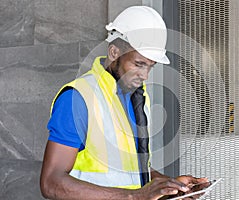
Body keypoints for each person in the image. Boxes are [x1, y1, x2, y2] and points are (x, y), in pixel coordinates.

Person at [40, 6, 208, 200]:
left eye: (150, 67)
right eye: (138, 64)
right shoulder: (78, 98)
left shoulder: (137, 98)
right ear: (114, 52)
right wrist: (134, 197)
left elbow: (128, 170)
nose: (144, 76)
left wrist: (170, 187)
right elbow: (51, 182)